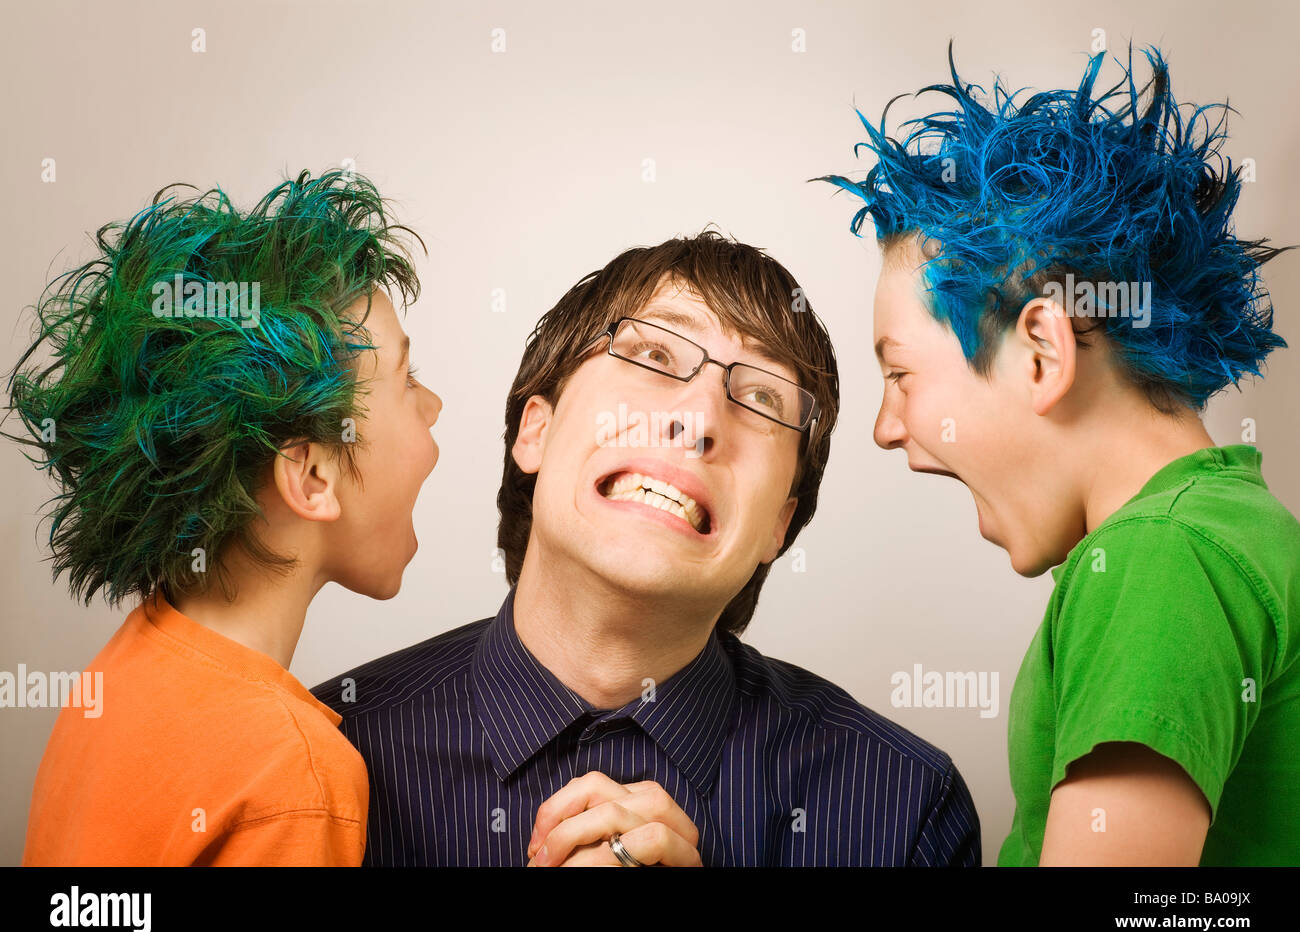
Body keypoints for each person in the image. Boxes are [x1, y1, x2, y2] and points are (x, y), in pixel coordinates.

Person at [312, 230, 981, 866]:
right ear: (534, 431)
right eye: (655, 355)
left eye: (761, 397)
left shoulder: (904, 807)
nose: (699, 422)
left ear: (779, 526)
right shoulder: (323, 757)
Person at [818, 44, 1300, 865]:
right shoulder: (1224, 533)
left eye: (900, 373)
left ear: (1042, 350)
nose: (885, 427)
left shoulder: (1161, 555)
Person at [8, 170, 442, 865]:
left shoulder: (123, 669)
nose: (435, 406)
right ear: (311, 475)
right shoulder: (291, 775)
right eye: (407, 381)